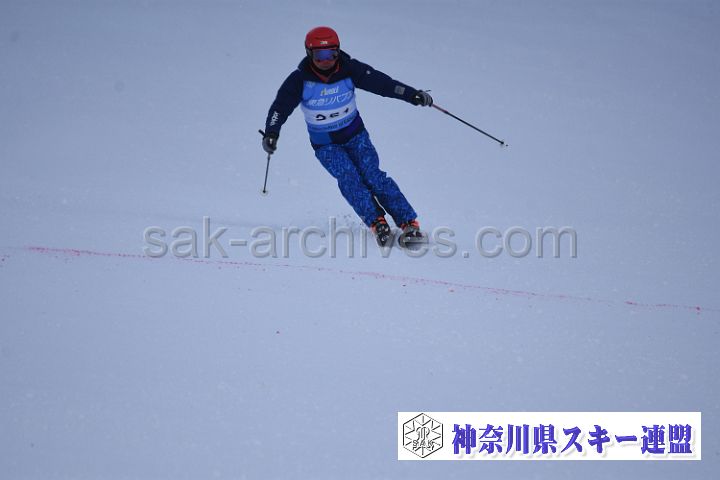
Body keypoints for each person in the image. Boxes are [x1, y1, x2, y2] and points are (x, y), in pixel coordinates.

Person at [261, 26, 433, 247]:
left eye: (331, 54)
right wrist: (271, 133)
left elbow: (383, 84)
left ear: (338, 51)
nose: (326, 61)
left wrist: (412, 94)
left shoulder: (350, 69)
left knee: (373, 176)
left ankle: (409, 223)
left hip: (355, 135)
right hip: (326, 144)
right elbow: (280, 108)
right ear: (309, 53)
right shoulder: (299, 80)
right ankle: (377, 222)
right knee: (349, 178)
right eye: (319, 55)